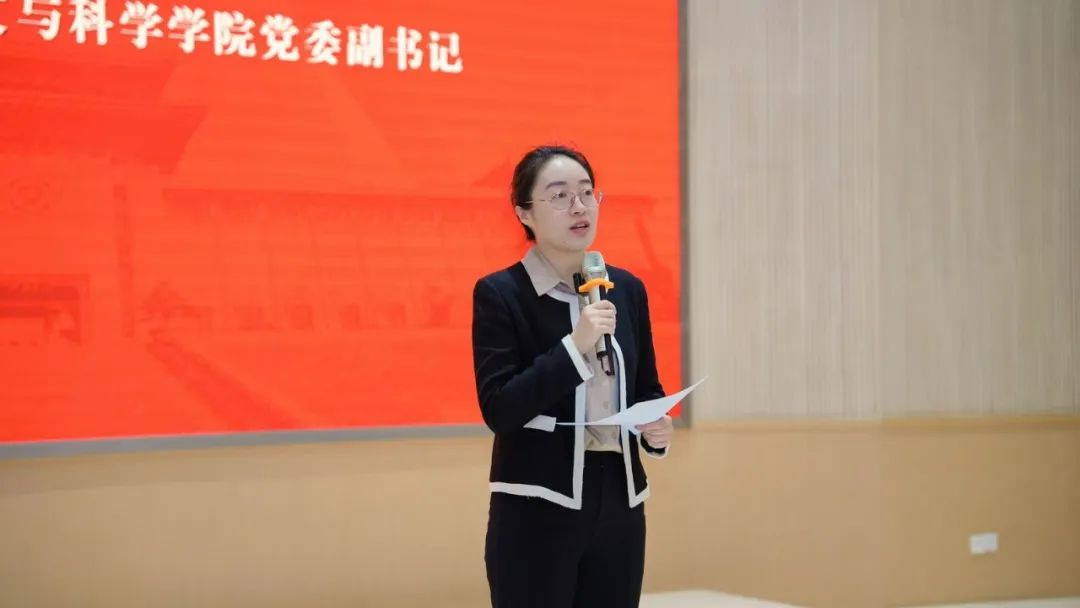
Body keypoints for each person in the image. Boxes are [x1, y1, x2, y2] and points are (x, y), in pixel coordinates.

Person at [471, 144, 675, 607]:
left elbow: (647, 389)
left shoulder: (626, 289)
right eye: (560, 195)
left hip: (620, 501)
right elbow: (500, 408)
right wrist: (574, 345)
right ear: (525, 213)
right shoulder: (500, 294)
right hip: (536, 504)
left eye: (586, 192)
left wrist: (655, 430)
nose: (579, 206)